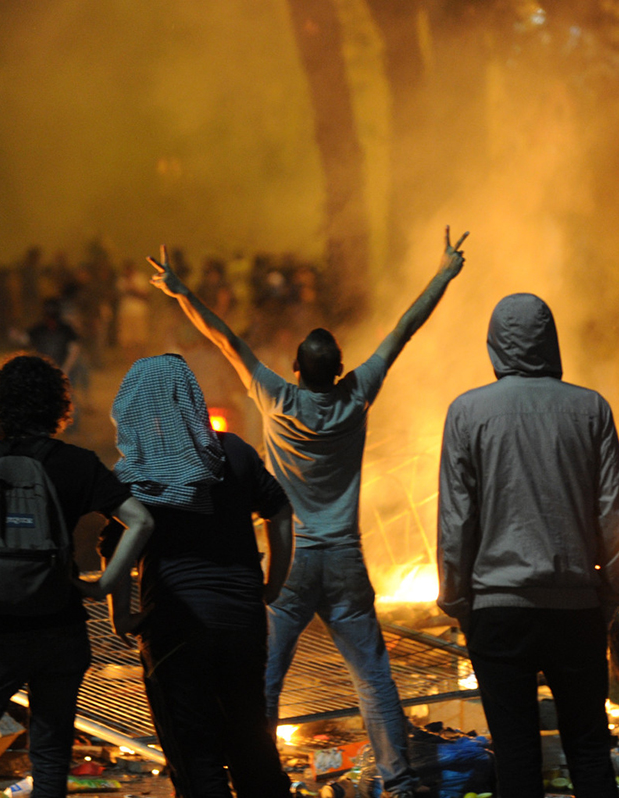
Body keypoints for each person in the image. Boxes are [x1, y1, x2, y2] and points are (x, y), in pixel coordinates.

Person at [149, 227, 470, 798]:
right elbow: (402, 331)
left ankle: (259, 779)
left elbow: (226, 340)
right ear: (340, 369)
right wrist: (444, 272)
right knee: (372, 677)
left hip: (290, 558)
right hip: (344, 558)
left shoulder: (275, 397)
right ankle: (399, 783)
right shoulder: (358, 394)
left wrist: (179, 291)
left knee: (263, 681)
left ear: (296, 367)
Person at [0, 354, 153, 798]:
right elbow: (140, 520)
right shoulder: (77, 464)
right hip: (62, 629)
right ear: (57, 407)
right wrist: (101, 585)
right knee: (50, 756)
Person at [436, 293, 619, 798]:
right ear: (551, 340)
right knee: (589, 749)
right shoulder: (591, 409)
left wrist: (457, 599)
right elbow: (612, 514)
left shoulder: (467, 412)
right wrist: (610, 592)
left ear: (495, 343)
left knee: (516, 757)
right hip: (576, 607)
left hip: (497, 612)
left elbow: (457, 519)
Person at [110, 354, 293, 797]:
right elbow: (281, 510)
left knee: (197, 757)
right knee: (251, 743)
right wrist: (272, 582)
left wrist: (123, 615)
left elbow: (115, 550)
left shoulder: (135, 472)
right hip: (243, 624)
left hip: (176, 631)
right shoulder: (234, 452)